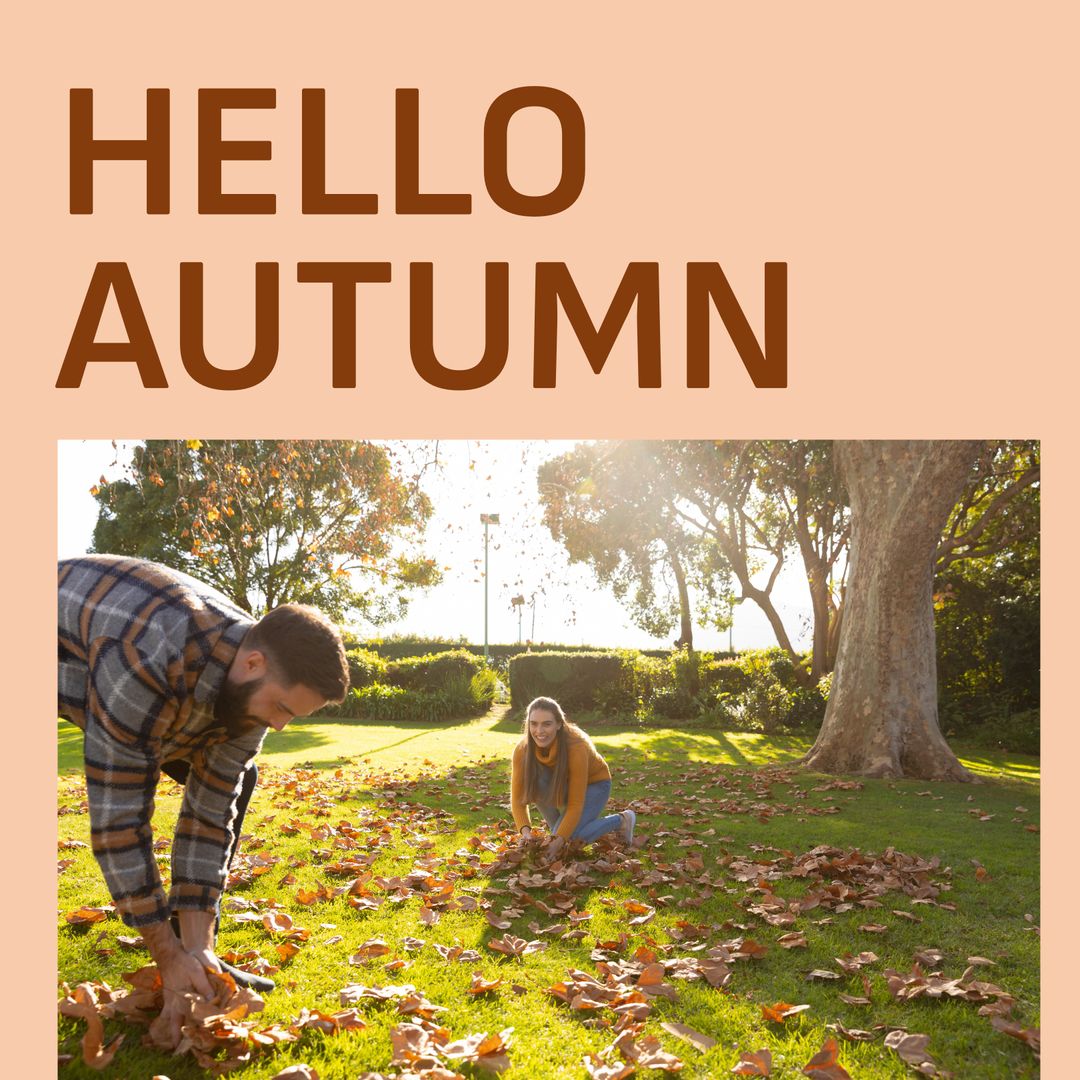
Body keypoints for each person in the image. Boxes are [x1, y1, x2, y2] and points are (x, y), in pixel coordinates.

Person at [58, 555, 349, 1045]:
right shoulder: (150, 650)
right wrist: (165, 957)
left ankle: (195, 951)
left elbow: (209, 815)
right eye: (281, 707)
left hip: (147, 671)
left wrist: (198, 947)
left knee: (242, 777)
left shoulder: (246, 679)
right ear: (253, 664)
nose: (280, 725)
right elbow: (119, 821)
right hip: (60, 644)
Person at [510, 696, 635, 860]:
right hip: (560, 785)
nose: (539, 731)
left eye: (547, 724)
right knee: (560, 837)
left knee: (566, 840)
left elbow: (575, 804)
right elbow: (518, 800)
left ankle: (622, 820)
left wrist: (559, 839)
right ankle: (561, 832)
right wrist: (525, 833)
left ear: (559, 724)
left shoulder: (577, 746)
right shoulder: (522, 749)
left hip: (595, 785)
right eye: (534, 724)